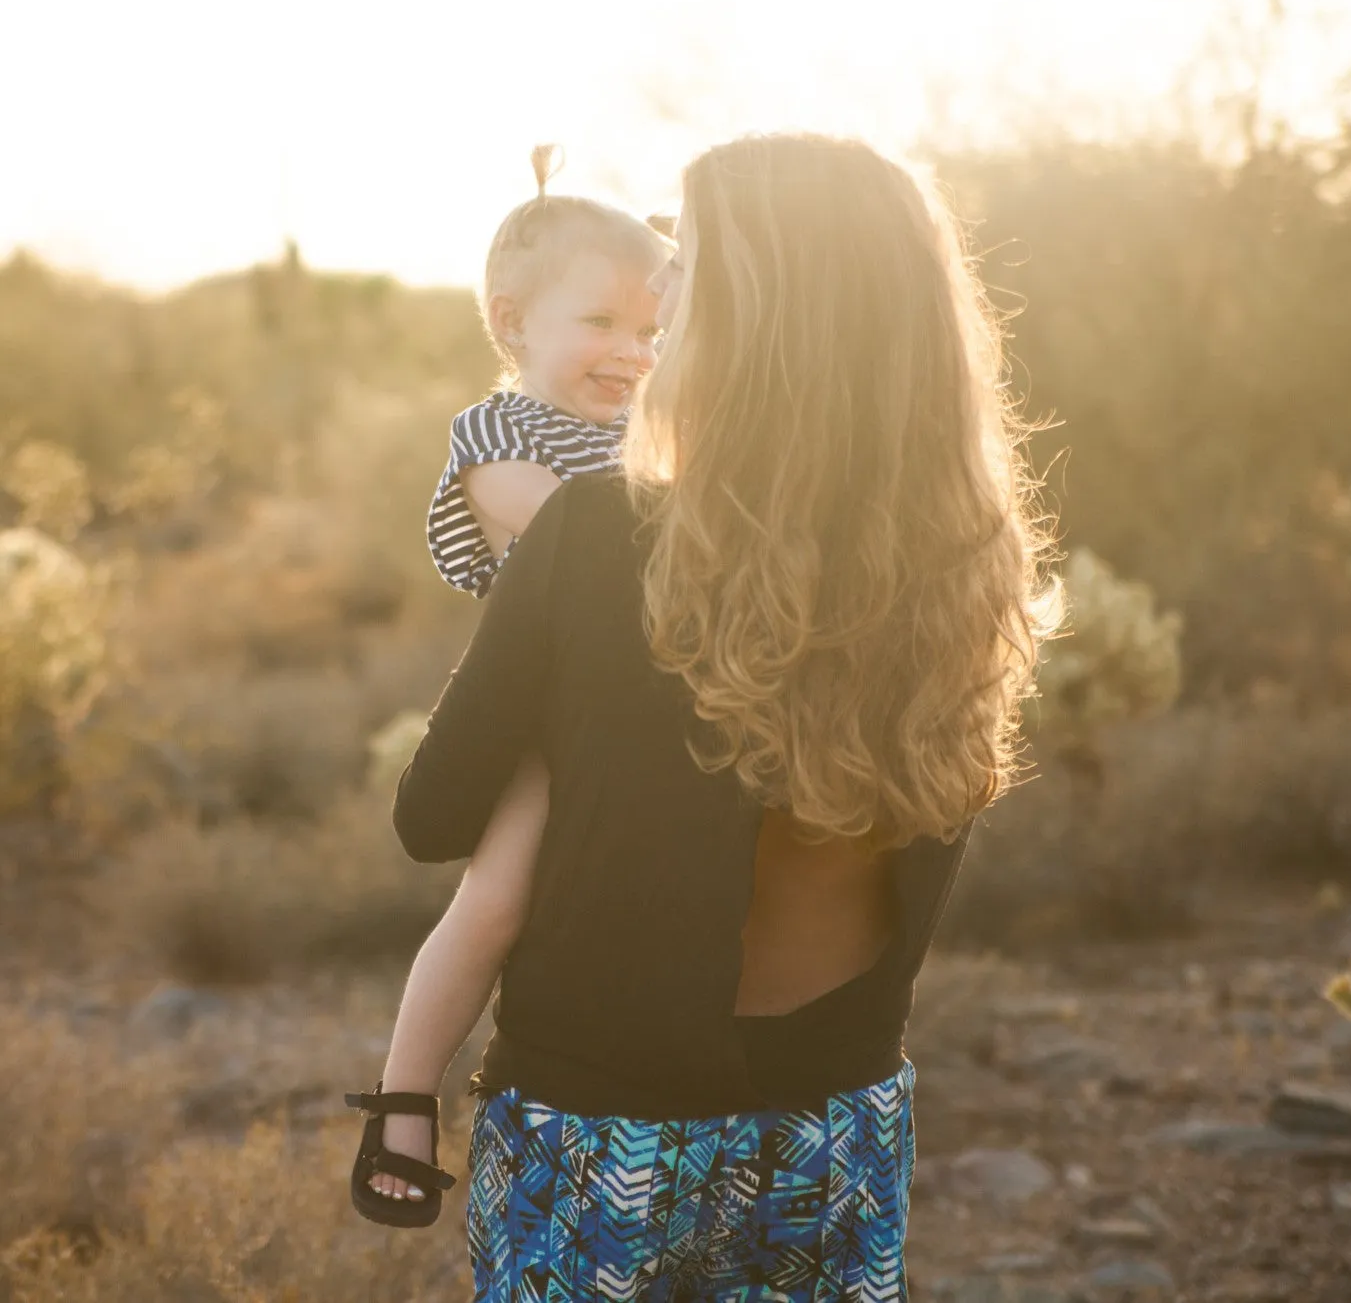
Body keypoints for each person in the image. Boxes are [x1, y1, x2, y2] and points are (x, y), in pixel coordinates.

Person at [376, 133, 1056, 1299]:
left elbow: (433, 817)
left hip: (608, 1137)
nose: (656, 317)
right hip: (838, 1126)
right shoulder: (963, 563)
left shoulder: (597, 534)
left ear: (752, 316)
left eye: (683, 280)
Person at [346, 146, 668, 1227]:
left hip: (653, 704)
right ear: (513, 321)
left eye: (652, 331)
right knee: (498, 899)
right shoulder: (499, 437)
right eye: (602, 324)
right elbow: (577, 545)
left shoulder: (651, 436)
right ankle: (402, 1098)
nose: (630, 352)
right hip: (545, 711)